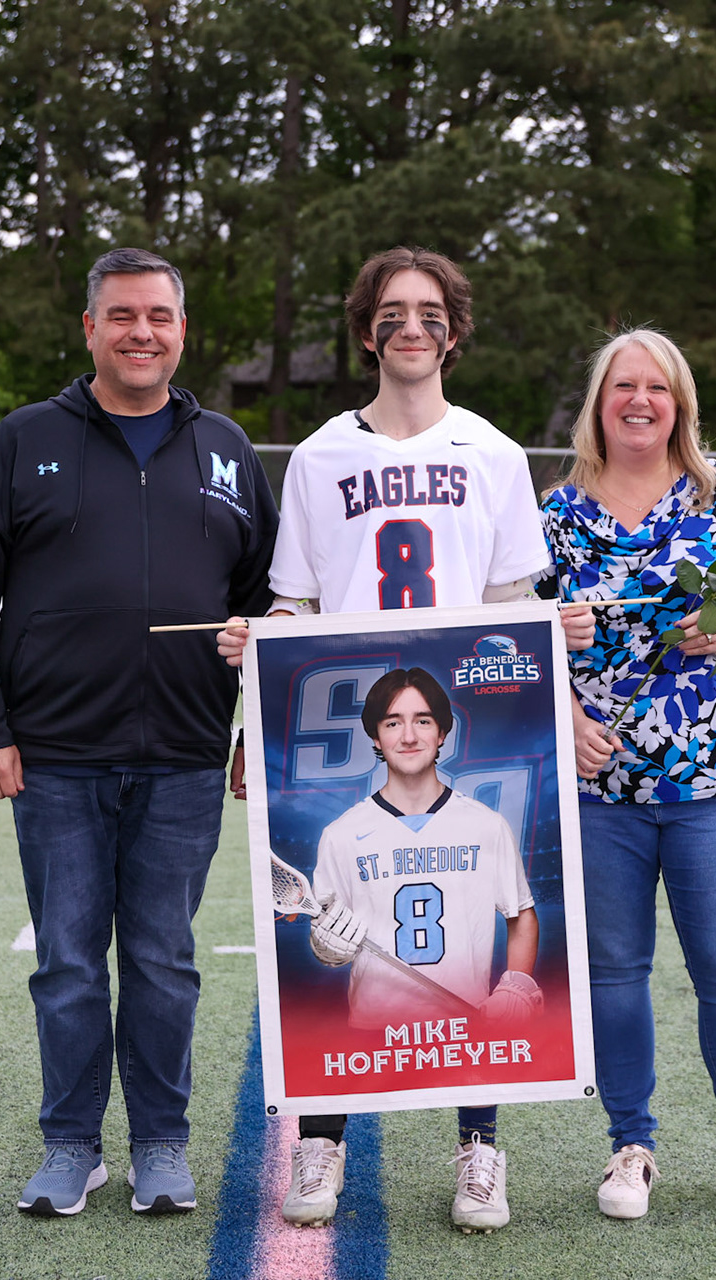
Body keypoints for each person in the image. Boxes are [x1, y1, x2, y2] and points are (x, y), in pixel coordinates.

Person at [216, 246, 551, 1233]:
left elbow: (513, 603)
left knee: (470, 933)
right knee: (346, 924)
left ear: (455, 329)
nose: (412, 326)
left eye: (430, 311)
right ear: (367, 331)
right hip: (351, 723)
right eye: (393, 312)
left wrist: (549, 687)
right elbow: (294, 605)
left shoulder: (495, 453)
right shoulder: (321, 456)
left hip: (462, 723)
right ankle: (323, 1137)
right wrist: (255, 702)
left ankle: (479, 1145)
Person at [0, 248, 280, 1218]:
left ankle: (162, 1143)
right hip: (54, 758)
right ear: (89, 328)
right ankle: (72, 1145)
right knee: (68, 963)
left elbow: (273, 603)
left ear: (183, 331)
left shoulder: (227, 448)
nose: (142, 332)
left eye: (159, 316)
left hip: (183, 755)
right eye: (122, 315)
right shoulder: (25, 439)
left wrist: (259, 726)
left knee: (165, 962)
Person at [537, 328, 716, 1224]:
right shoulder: (554, 514)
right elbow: (510, 639)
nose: (640, 401)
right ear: (599, 402)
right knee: (615, 973)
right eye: (623, 386)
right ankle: (630, 1145)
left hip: (711, 777)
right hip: (599, 785)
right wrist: (567, 713)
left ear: (679, 402)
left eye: (657, 387)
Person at [306, 668, 540, 1032]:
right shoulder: (341, 835)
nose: (409, 736)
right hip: (375, 1030)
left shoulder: (485, 825)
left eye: (423, 721)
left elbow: (521, 913)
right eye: (393, 723)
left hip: (465, 1028)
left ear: (442, 731)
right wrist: (326, 948)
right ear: (375, 736)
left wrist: (516, 986)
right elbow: (327, 934)